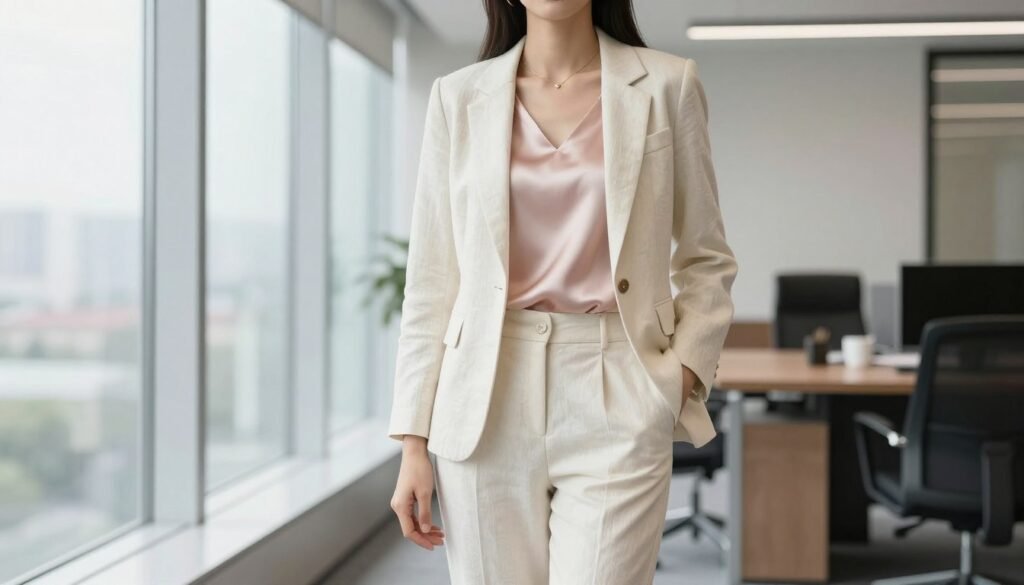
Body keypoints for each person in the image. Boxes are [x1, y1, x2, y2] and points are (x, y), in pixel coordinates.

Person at [388, 0, 738, 582]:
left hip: (618, 386)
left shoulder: (667, 85)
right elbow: (431, 281)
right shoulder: (457, 97)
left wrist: (676, 381)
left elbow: (706, 256)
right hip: (483, 392)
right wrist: (413, 442)